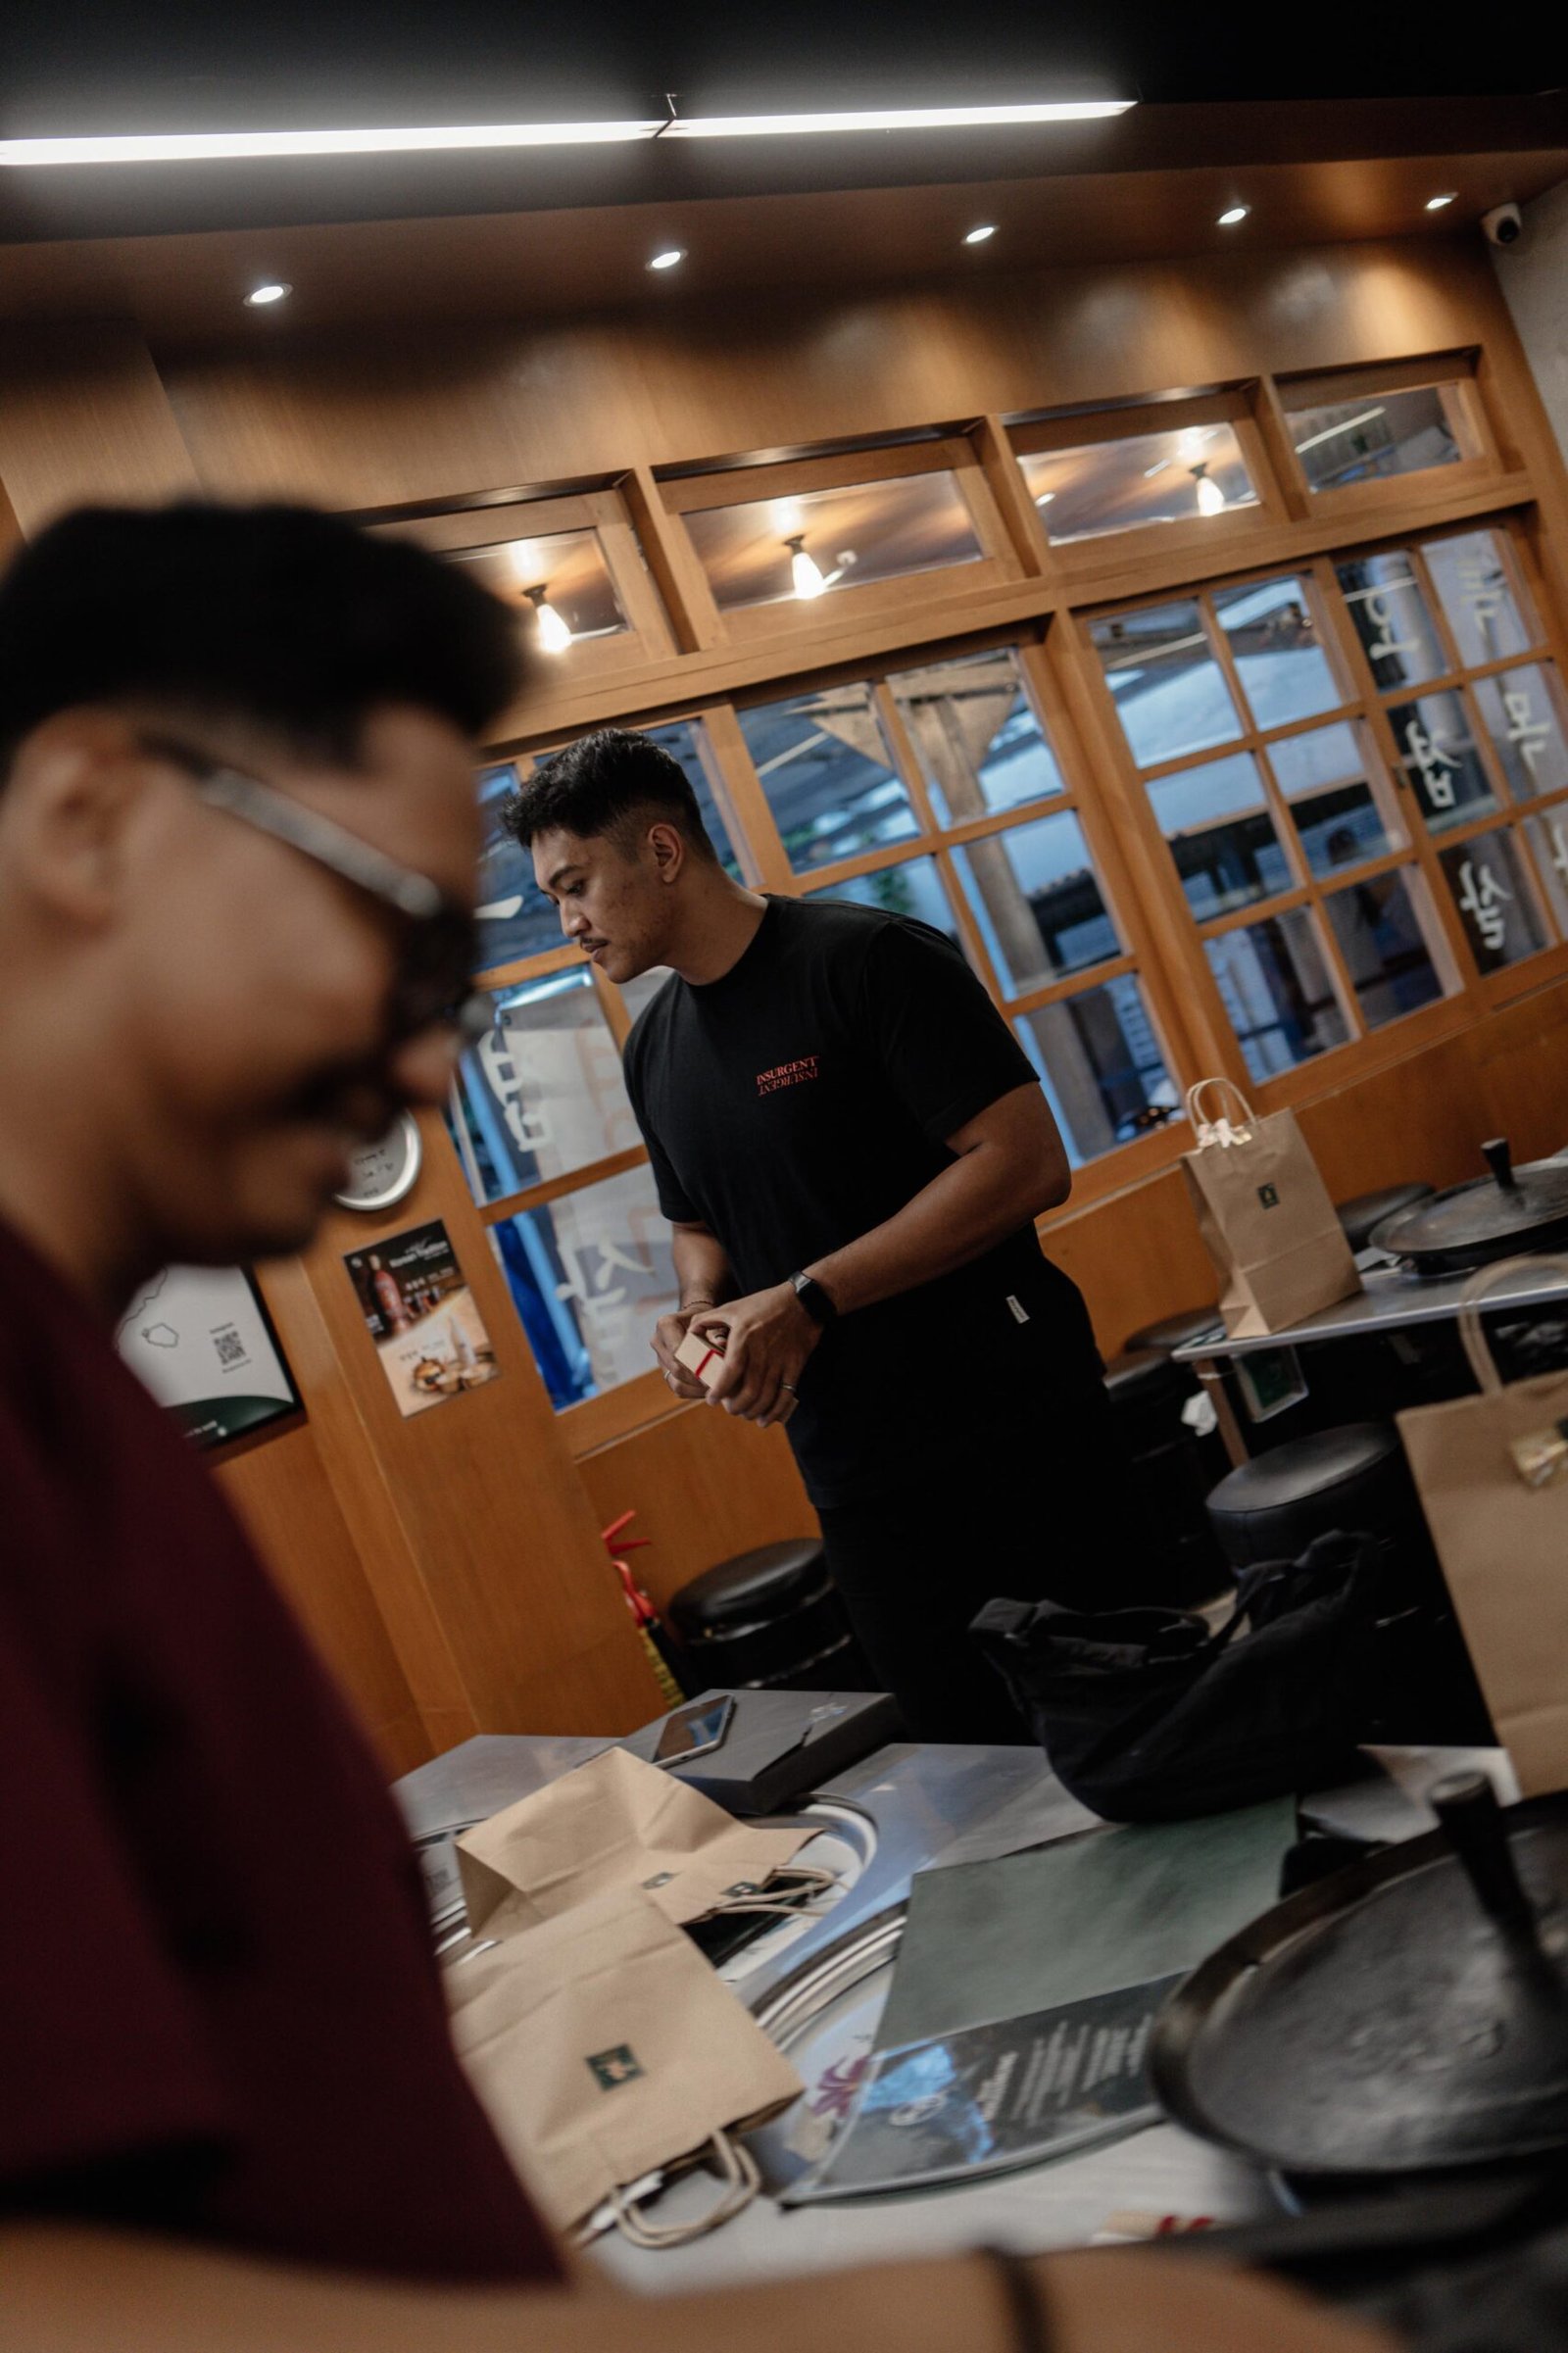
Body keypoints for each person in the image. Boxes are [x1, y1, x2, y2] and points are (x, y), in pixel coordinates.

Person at [0, 501, 1394, 2353]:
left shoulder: (72, 1391)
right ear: (91, 818)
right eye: (388, 934)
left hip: (1005, 1417)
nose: (422, 1061)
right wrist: (1006, 2323)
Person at [507, 728, 1162, 1740]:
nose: (569, 924)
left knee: (1131, 1727)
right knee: (969, 1770)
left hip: (1014, 1431)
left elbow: (1026, 1161)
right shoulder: (655, 1048)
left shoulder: (868, 959)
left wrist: (809, 1297)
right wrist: (697, 1310)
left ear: (663, 850)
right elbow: (696, 1224)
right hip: (856, 1480)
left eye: (576, 885)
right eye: (554, 898)